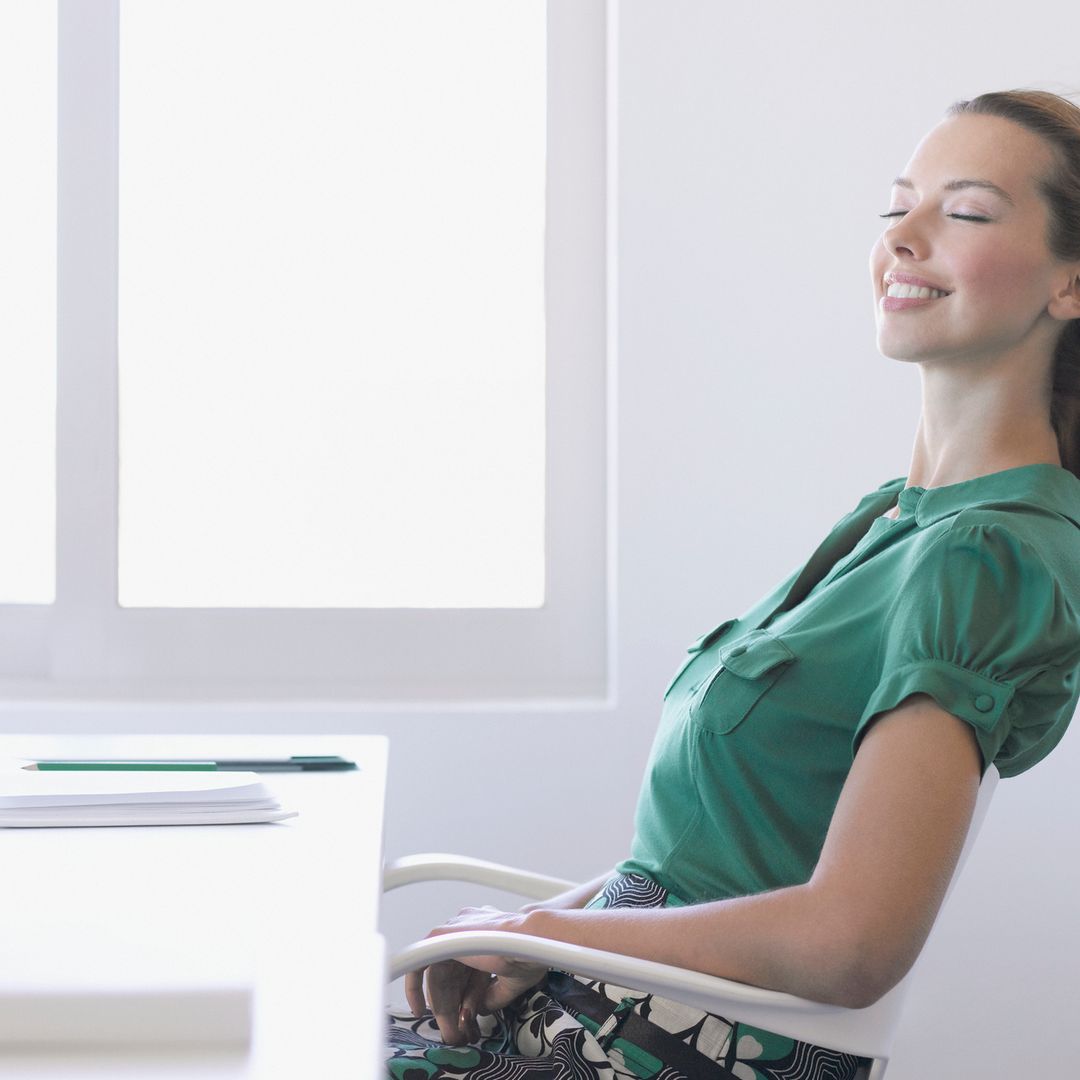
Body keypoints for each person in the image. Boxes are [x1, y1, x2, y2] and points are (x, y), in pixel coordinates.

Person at [387, 87, 1080, 1080]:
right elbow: (713, 863)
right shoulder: (893, 520)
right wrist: (544, 933)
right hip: (591, 1010)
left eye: (963, 212)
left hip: (648, 1050)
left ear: (1070, 284)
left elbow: (850, 941)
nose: (905, 238)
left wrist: (545, 930)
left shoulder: (984, 557)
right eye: (897, 208)